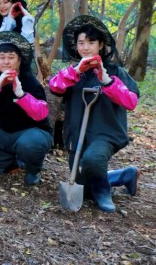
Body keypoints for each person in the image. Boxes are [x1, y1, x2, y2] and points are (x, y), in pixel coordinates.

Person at [49, 15, 140, 212]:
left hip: (105, 133)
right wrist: (75, 72)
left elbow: (131, 101)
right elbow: (55, 88)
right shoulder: (72, 72)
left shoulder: (116, 72)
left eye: (91, 42)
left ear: (100, 45)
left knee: (92, 160)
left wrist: (107, 80)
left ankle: (103, 191)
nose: (85, 47)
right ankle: (125, 175)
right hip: (76, 135)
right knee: (84, 184)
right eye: (81, 42)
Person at [0, 32, 51, 186]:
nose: (6, 61)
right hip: (5, 131)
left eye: (11, 57)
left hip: (34, 132)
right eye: (2, 57)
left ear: (20, 60)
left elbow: (41, 114)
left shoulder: (30, 81)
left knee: (29, 143)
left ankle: (33, 171)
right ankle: (8, 164)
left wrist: (21, 94)